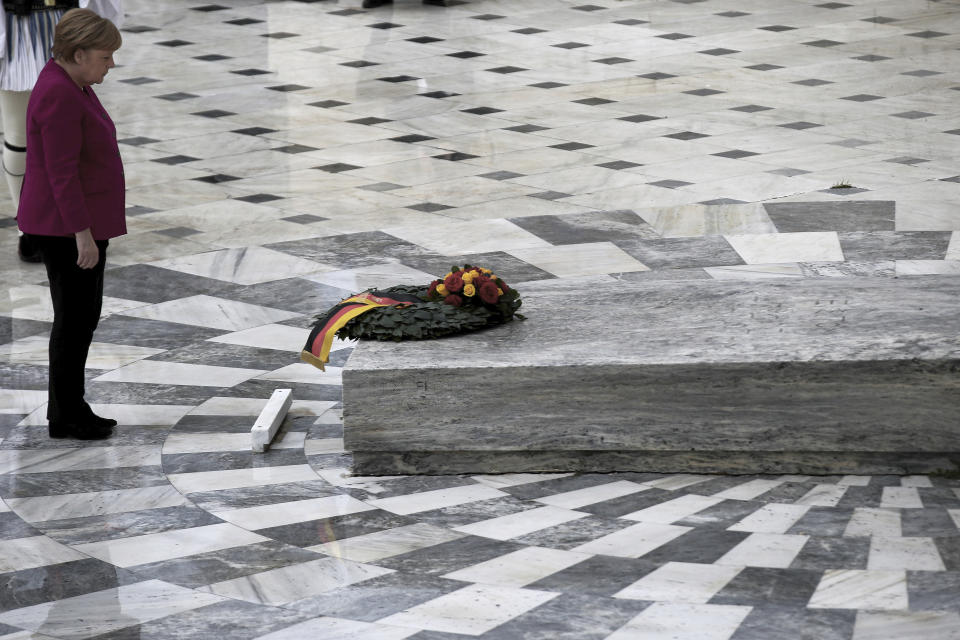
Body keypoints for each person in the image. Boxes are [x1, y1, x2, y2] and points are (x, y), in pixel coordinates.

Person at [16, 8, 123, 439]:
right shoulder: (60, 93)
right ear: (78, 54)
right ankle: (65, 414)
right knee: (74, 321)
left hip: (75, 223)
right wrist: (83, 235)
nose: (110, 64)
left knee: (81, 318)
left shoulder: (70, 81)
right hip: (67, 229)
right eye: (105, 56)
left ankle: (72, 407)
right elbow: (61, 172)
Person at [0, 0, 123, 262]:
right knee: (18, 135)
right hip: (17, 24)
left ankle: (50, 221)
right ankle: (29, 226)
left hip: (62, 17)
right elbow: (60, 168)